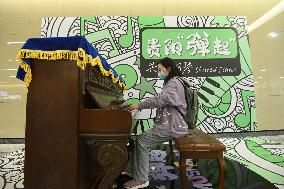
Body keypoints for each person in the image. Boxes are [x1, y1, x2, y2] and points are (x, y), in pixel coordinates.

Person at [124, 57, 189, 189]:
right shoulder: (176, 81)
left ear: (169, 69)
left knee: (141, 141)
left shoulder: (174, 83)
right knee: (138, 139)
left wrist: (139, 105)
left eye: (160, 70)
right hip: (173, 124)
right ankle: (132, 170)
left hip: (172, 126)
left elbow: (161, 100)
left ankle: (141, 179)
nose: (158, 72)